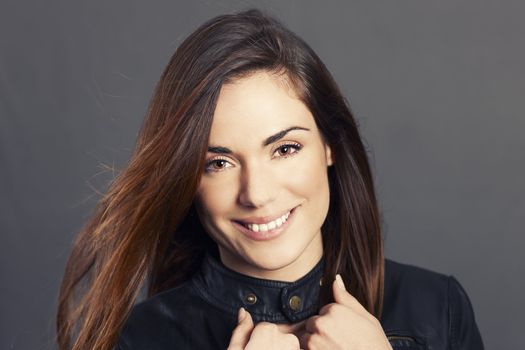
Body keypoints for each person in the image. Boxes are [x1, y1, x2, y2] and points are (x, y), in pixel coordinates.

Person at [56, 9, 484, 350]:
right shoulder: (140, 339)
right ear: (187, 179)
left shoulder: (436, 309)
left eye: (284, 149)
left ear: (330, 144)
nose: (257, 194)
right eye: (218, 163)